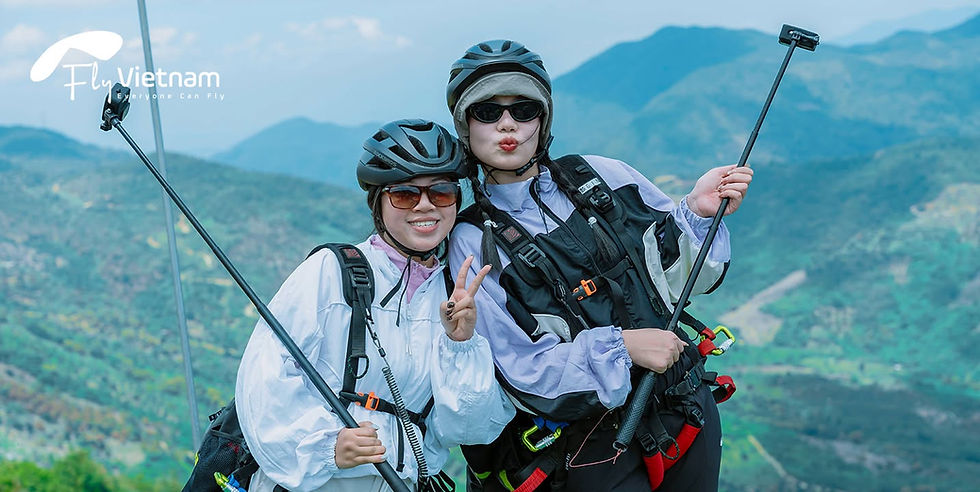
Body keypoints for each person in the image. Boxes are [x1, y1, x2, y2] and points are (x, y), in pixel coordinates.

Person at [445, 40, 754, 491]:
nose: (507, 124)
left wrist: (697, 212)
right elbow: (520, 369)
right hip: (591, 448)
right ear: (465, 125)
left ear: (543, 119)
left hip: (685, 407)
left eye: (524, 109)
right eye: (487, 112)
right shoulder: (473, 241)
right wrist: (623, 347)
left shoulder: (602, 176)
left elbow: (679, 281)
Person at [236, 119, 515, 492]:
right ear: (378, 202)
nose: (425, 206)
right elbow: (264, 379)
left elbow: (469, 428)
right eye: (404, 195)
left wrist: (460, 345)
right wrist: (327, 447)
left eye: (442, 192)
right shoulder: (331, 273)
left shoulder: (456, 293)